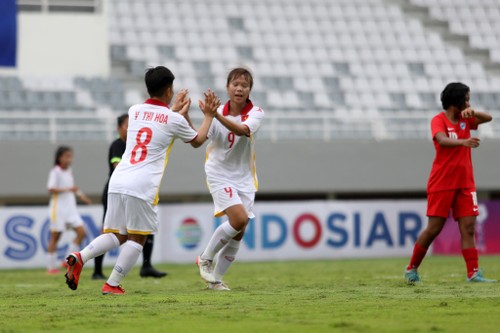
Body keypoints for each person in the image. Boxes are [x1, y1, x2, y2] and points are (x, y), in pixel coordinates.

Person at [64, 66, 220, 295]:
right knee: (138, 238)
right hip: (141, 184)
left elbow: (158, 121)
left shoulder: (135, 111)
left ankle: (80, 256)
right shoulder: (172, 119)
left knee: (117, 235)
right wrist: (208, 116)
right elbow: (197, 140)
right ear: (169, 90)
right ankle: (112, 284)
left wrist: (174, 110)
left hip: (118, 179)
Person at [404, 82, 495, 284]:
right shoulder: (438, 120)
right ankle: (411, 269)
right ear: (456, 101)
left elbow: (489, 118)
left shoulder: (466, 119)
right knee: (434, 228)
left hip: (465, 183)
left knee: (469, 227)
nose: (468, 102)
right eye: (467, 98)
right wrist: (463, 142)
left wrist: (473, 112)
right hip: (442, 182)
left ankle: (473, 273)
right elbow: (442, 140)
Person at [196, 68, 265, 291]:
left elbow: (243, 130)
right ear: (227, 87)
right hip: (219, 173)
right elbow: (197, 141)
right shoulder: (215, 115)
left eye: (244, 85)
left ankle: (214, 281)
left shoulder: (256, 113)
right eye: (235, 84)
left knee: (240, 228)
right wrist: (192, 115)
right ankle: (205, 258)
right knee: (238, 219)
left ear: (249, 90)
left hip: (244, 178)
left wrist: (215, 115)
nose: (239, 88)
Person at [92, 114, 167, 280]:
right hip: (118, 191)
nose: (130, 128)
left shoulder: (135, 146)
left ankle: (146, 265)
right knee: (110, 230)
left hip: (133, 189)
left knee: (145, 225)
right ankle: (97, 270)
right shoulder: (118, 145)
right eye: (127, 125)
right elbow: (118, 166)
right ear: (119, 128)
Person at [47, 146, 92, 274]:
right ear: (59, 158)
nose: (70, 159)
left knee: (82, 233)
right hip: (58, 210)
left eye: (70, 156)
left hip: (70, 209)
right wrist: (67, 189)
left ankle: (67, 260)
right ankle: (51, 268)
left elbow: (73, 187)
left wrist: (84, 198)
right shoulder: (55, 172)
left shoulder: (69, 171)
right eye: (67, 156)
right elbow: (51, 188)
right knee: (56, 237)